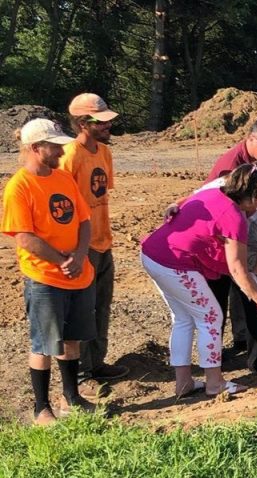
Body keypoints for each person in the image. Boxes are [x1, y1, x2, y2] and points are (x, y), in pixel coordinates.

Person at [141, 164, 257, 397]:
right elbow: (238, 269)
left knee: (184, 319)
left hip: (152, 254)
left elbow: (184, 204)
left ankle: (183, 382)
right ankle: (215, 382)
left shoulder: (214, 193)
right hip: (173, 263)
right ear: (252, 194)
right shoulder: (234, 217)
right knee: (211, 316)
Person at [2, 119, 97, 425]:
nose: (60, 150)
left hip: (78, 273)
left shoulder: (63, 178)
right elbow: (24, 237)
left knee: (72, 339)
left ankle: (72, 398)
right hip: (45, 277)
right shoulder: (19, 186)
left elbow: (83, 220)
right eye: (54, 145)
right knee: (44, 344)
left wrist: (80, 255)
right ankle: (41, 407)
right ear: (35, 148)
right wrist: (61, 261)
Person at [59, 93, 129, 400]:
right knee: (82, 311)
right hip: (81, 245)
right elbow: (62, 207)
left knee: (102, 306)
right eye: (100, 123)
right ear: (81, 123)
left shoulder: (103, 153)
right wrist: (74, 250)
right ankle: (84, 372)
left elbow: (100, 196)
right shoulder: (69, 157)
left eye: (108, 120)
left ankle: (97, 363)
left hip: (103, 241)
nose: (108, 126)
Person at [193, 160, 257, 372]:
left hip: (251, 265)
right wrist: (175, 205)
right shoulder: (228, 194)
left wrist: (253, 274)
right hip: (217, 264)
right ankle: (213, 362)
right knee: (214, 311)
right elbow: (196, 197)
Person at [205, 119, 257, 355]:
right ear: (250, 140)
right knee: (219, 299)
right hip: (221, 242)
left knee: (249, 286)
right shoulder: (232, 167)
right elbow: (220, 207)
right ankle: (214, 360)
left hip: (247, 239)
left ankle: (253, 351)